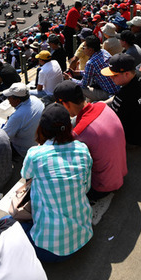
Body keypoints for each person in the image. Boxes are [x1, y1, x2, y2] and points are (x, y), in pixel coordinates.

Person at [19, 103, 93, 262]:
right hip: (83, 235)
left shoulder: (36, 154)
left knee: (8, 224)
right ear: (68, 126)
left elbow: (25, 174)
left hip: (49, 249)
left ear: (42, 129)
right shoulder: (82, 149)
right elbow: (86, 188)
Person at [52, 81, 127, 201]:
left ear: (66, 105)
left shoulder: (79, 133)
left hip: (102, 187)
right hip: (121, 172)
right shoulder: (102, 106)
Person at [102, 54, 141, 147]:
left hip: (132, 139)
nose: (111, 77)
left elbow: (112, 121)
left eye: (114, 75)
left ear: (126, 74)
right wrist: (103, 103)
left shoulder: (124, 96)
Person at [67, 35, 120, 102]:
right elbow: (93, 71)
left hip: (109, 93)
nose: (83, 49)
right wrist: (78, 73)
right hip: (117, 88)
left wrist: (70, 79)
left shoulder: (90, 63)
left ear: (90, 50)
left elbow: (84, 84)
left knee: (78, 87)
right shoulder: (104, 52)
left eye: (84, 47)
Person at [2, 82, 45, 159]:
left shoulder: (17, 116)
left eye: (9, 97)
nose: (8, 99)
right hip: (38, 141)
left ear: (17, 100)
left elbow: (4, 137)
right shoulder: (35, 99)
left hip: (24, 149)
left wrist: (5, 124)